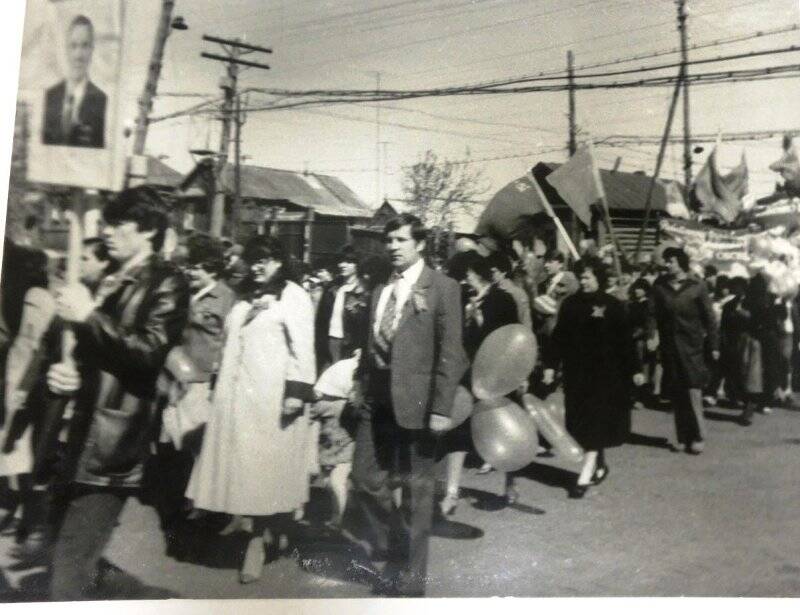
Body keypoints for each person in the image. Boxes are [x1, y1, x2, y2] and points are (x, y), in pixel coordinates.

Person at [37, 186, 190, 600]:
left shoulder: (168, 283)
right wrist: (63, 373)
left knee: (69, 568)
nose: (107, 232)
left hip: (112, 444)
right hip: (77, 434)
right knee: (64, 555)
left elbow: (147, 352)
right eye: (108, 222)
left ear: (149, 230)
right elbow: (91, 352)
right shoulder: (108, 278)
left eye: (119, 223)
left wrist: (89, 315)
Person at [341, 214, 468, 597]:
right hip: (376, 402)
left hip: (419, 406)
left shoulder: (442, 288)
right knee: (365, 480)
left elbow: (451, 353)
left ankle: (412, 584)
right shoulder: (381, 290)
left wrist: (442, 407)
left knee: (417, 494)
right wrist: (359, 386)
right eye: (388, 240)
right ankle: (399, 539)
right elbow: (370, 347)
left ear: (419, 244)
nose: (392, 247)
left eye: (399, 240)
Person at [186, 235, 316, 584]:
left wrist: (296, 392)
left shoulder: (294, 295)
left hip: (273, 400)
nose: (260, 265)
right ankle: (269, 527)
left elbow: (304, 349)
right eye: (255, 258)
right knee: (248, 471)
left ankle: (256, 545)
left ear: (281, 261)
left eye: (268, 259)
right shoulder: (243, 296)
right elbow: (228, 344)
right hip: (239, 399)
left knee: (265, 472)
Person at [154, 233, 235, 542]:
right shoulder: (185, 294)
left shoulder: (226, 299)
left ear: (213, 269)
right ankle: (188, 501)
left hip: (204, 381)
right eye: (189, 266)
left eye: (197, 267)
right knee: (177, 442)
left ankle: (204, 507)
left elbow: (230, 343)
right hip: (176, 377)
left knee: (200, 444)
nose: (190, 272)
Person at [543, 258, 643, 498]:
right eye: (582, 278)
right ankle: (599, 464)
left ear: (598, 277)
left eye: (588, 277)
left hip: (606, 376)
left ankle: (585, 476)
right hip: (577, 375)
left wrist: (636, 369)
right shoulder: (570, 305)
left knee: (595, 422)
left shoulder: (613, 306)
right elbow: (559, 337)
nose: (584, 282)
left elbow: (625, 342)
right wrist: (550, 365)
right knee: (581, 424)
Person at [440, 251, 519, 513]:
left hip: (496, 373)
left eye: (468, 276)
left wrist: (480, 321)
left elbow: (510, 337)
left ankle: (510, 484)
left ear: (479, 276)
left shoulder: (503, 300)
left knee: (503, 429)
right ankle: (451, 492)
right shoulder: (464, 298)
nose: (465, 281)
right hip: (468, 372)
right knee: (458, 430)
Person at [652, 247, 719, 454]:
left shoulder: (697, 286)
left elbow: (710, 318)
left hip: (692, 346)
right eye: (665, 261)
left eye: (670, 261)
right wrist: (651, 334)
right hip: (670, 345)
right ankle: (682, 436)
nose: (666, 264)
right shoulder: (660, 286)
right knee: (677, 392)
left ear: (681, 262)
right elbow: (652, 313)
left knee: (692, 390)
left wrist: (714, 345)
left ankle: (698, 436)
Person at [42, 15, 107, 148]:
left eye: (85, 46)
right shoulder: (50, 96)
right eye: (73, 46)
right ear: (66, 49)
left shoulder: (101, 101)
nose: (78, 55)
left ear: (92, 50)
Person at [487, 250, 532, 330]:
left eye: (494, 272)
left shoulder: (517, 293)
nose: (491, 275)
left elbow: (526, 323)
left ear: (503, 272)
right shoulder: (491, 291)